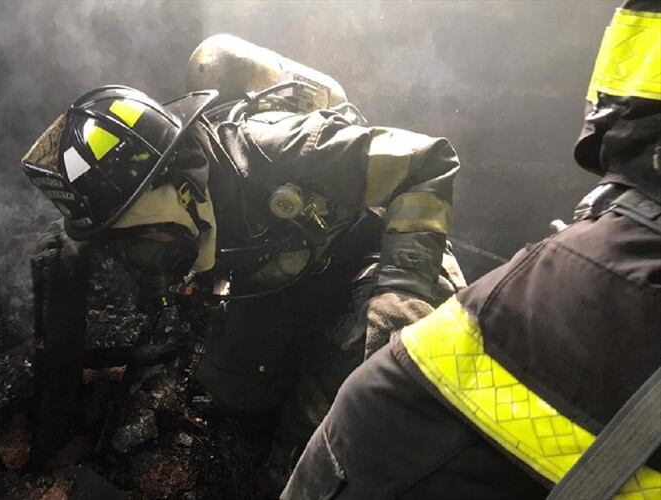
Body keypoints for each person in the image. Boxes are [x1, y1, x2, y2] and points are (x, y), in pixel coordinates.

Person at [22, 47, 465, 488]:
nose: (146, 260)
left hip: (380, 256)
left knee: (356, 373)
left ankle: (296, 468)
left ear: (178, 187)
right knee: (233, 387)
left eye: (144, 243)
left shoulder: (284, 148)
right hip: (292, 267)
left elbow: (427, 161)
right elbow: (65, 247)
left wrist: (402, 290)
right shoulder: (169, 202)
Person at [283, 1, 661, 498]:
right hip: (381, 427)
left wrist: (398, 291)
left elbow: (427, 163)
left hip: (376, 424)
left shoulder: (299, 147)